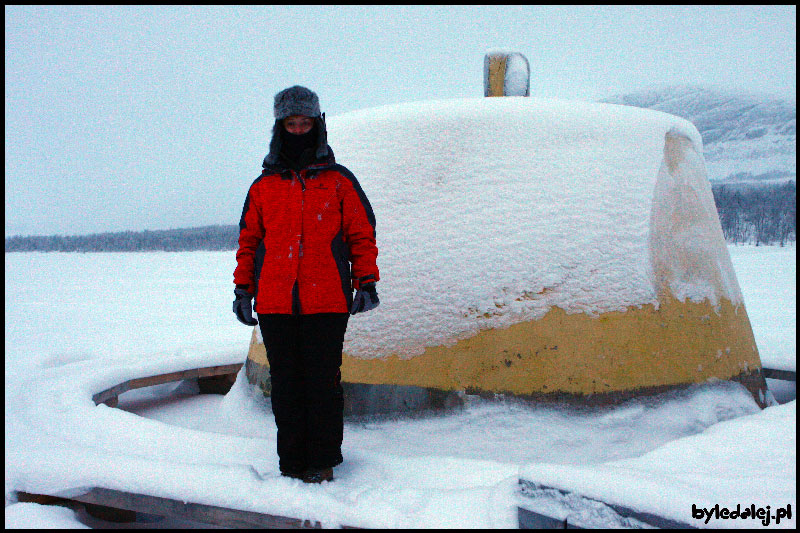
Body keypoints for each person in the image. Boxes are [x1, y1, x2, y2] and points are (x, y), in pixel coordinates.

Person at [232, 86, 380, 484]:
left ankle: (323, 460)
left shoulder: (338, 182)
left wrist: (366, 281)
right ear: (280, 128)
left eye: (305, 123)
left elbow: (361, 235)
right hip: (277, 303)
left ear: (318, 125)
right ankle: (292, 463)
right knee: (286, 387)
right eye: (291, 123)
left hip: (327, 301)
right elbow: (248, 244)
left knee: (322, 383)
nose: (299, 129)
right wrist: (243, 291)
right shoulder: (263, 187)